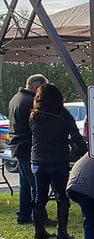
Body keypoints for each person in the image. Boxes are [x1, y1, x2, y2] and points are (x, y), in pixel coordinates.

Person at [30, 84, 87, 239]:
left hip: (38, 160)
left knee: (39, 198)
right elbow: (76, 137)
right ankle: (62, 231)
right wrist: (84, 153)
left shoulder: (34, 115)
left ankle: (39, 231)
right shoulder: (63, 115)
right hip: (58, 161)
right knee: (62, 197)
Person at [8, 74, 52, 225]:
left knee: (25, 184)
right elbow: (38, 126)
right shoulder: (30, 102)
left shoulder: (16, 98)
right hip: (28, 147)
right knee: (37, 186)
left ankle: (23, 215)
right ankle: (40, 218)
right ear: (36, 87)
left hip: (18, 146)